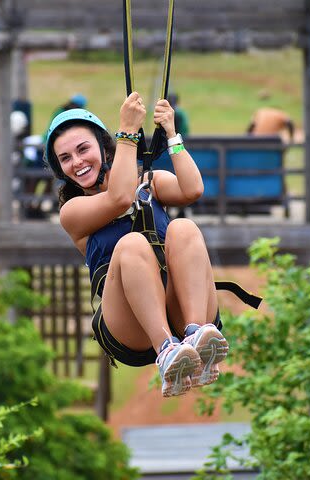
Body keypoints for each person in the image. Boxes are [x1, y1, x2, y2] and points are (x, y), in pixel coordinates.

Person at [44, 92, 228, 397]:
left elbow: (192, 189)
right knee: (131, 244)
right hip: (130, 325)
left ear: (103, 148)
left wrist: (171, 133)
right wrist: (128, 132)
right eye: (66, 158)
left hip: (176, 305)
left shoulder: (147, 181)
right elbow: (119, 198)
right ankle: (166, 350)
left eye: (82, 149)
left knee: (183, 228)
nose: (77, 162)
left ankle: (196, 335)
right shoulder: (72, 213)